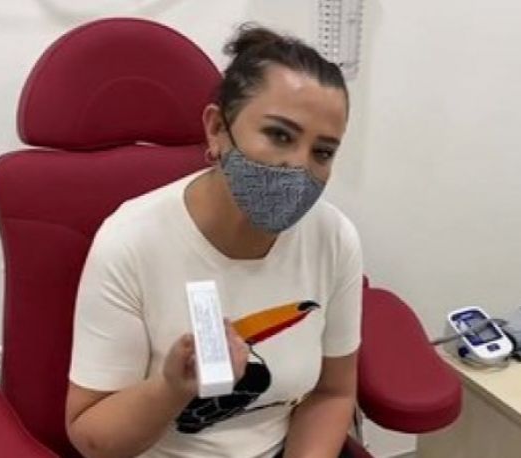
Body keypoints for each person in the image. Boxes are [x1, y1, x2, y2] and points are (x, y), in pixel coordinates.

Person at [65, 23, 362, 458]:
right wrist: (171, 388)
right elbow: (91, 436)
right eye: (280, 135)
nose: (298, 167)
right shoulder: (131, 241)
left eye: (322, 152)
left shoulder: (333, 239)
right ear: (217, 128)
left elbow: (333, 393)